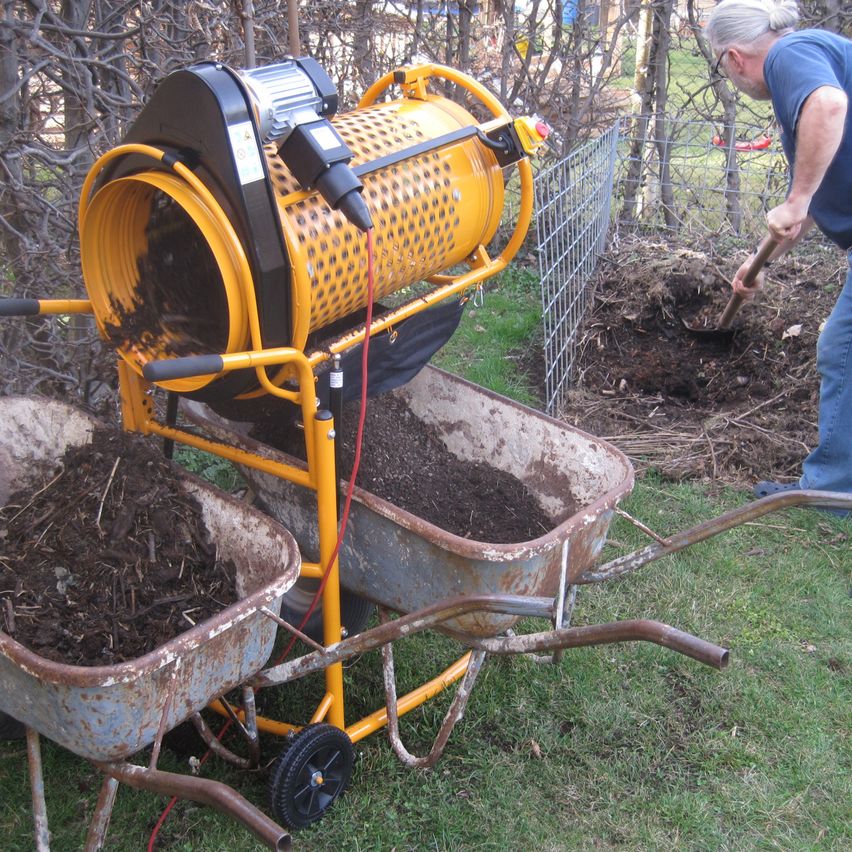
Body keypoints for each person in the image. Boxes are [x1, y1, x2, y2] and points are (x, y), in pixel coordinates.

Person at [706, 0, 851, 513]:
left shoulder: (791, 53)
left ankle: (833, 490)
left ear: (733, 58)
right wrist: (758, 263)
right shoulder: (809, 57)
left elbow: (831, 106)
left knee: (843, 345)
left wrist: (797, 198)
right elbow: (808, 208)